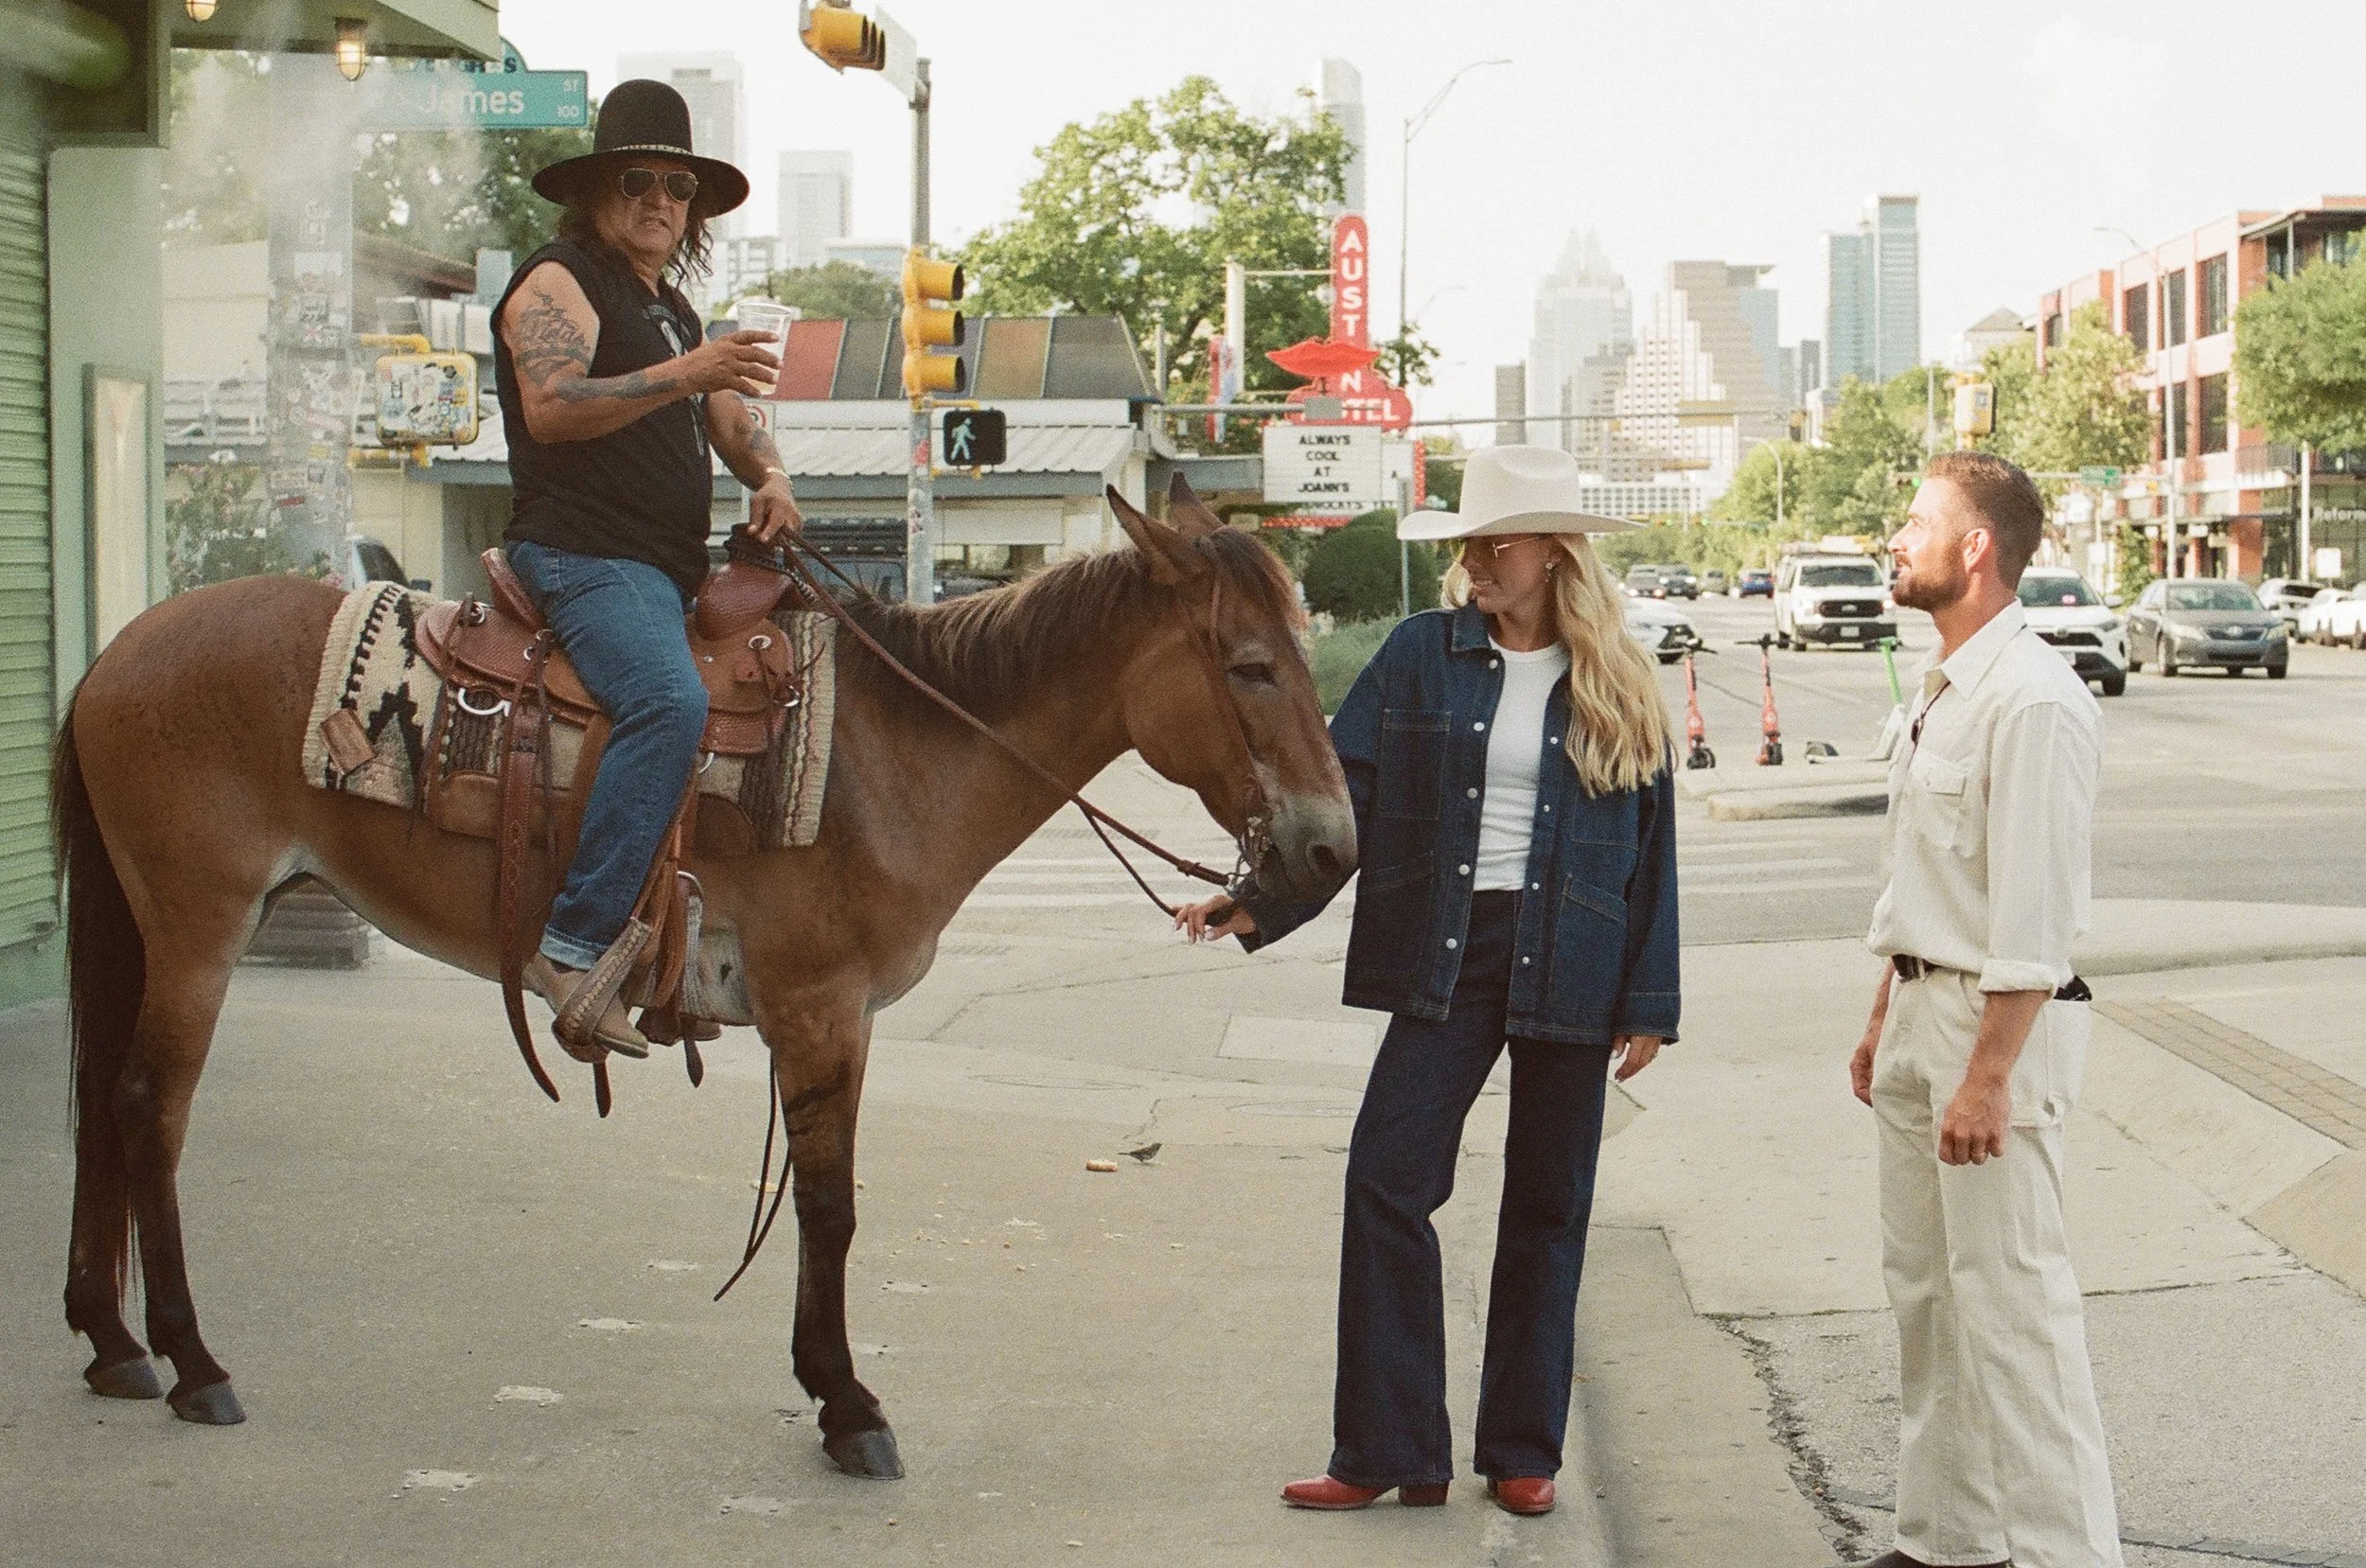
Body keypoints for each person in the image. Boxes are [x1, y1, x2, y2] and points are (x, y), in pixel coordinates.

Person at [1176, 444, 1680, 1519]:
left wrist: (1650, 999)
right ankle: (1387, 1445)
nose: (1477, 561)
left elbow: (1652, 848)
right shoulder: (1420, 652)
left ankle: (1522, 1448)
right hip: (1449, 945)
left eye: (1498, 543)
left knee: (1548, 1203)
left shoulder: (1619, 675)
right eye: (1469, 543)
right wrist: (1258, 898)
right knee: (1386, 1178)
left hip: (1576, 952)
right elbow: (1343, 795)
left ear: (1555, 553)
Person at [493, 79, 803, 1061]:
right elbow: (553, 405)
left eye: (680, 185)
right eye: (638, 180)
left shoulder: (672, 309)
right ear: (595, 190)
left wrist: (773, 474)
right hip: (583, 553)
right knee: (669, 703)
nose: (660, 200)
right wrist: (688, 372)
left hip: (664, 570)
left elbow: (732, 420)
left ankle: (677, 951)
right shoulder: (558, 280)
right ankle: (572, 946)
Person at [1851, 451, 2121, 1568]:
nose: (1896, 539)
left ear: (1974, 549)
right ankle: (1945, 1540)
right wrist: (1883, 1012)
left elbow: (2033, 915)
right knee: (1928, 1297)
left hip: (1990, 1028)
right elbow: (1927, 876)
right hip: (1923, 1011)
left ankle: (2069, 1555)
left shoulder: (2034, 699)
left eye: (1917, 522)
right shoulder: (1943, 684)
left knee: (2014, 1311)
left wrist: (1989, 1074)